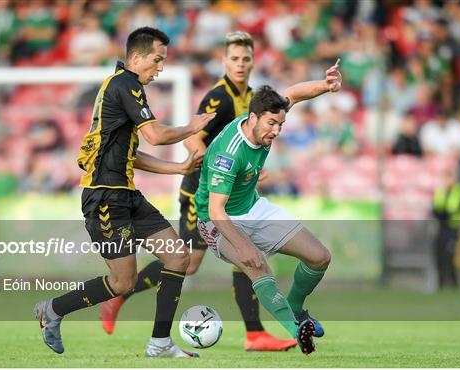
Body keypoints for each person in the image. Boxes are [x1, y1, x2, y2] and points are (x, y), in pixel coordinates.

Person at [100, 31, 297, 351]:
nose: (240, 64)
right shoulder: (219, 98)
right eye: (234, 59)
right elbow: (193, 140)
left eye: (246, 59)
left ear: (252, 62)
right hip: (203, 193)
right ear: (224, 61)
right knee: (189, 263)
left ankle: (255, 333)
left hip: (230, 194)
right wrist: (223, 173)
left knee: (243, 256)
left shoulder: (251, 97)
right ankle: (121, 295)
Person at [34, 26, 215, 358]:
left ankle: (160, 343)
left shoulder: (121, 88)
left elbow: (131, 154)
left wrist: (177, 168)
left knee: (178, 256)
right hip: (104, 197)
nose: (160, 68)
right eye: (157, 60)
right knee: (122, 283)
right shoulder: (125, 85)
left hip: (126, 193)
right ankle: (54, 309)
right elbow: (157, 136)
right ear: (137, 57)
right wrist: (191, 127)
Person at [195, 61, 342, 354]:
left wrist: (324, 87)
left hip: (253, 207)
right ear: (252, 118)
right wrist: (244, 247)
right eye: (271, 124)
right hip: (217, 221)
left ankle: (297, 310)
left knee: (319, 257)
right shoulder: (229, 153)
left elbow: (293, 94)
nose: (276, 131)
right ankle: (296, 330)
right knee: (256, 263)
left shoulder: (268, 111)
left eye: (280, 125)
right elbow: (215, 211)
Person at [432, 168, 460, 289]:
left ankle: (454, 284)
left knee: (450, 256)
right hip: (441, 228)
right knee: (439, 255)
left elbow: (452, 210)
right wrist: (442, 213)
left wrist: (443, 213)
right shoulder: (441, 191)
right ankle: (441, 284)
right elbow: (435, 210)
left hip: (453, 228)